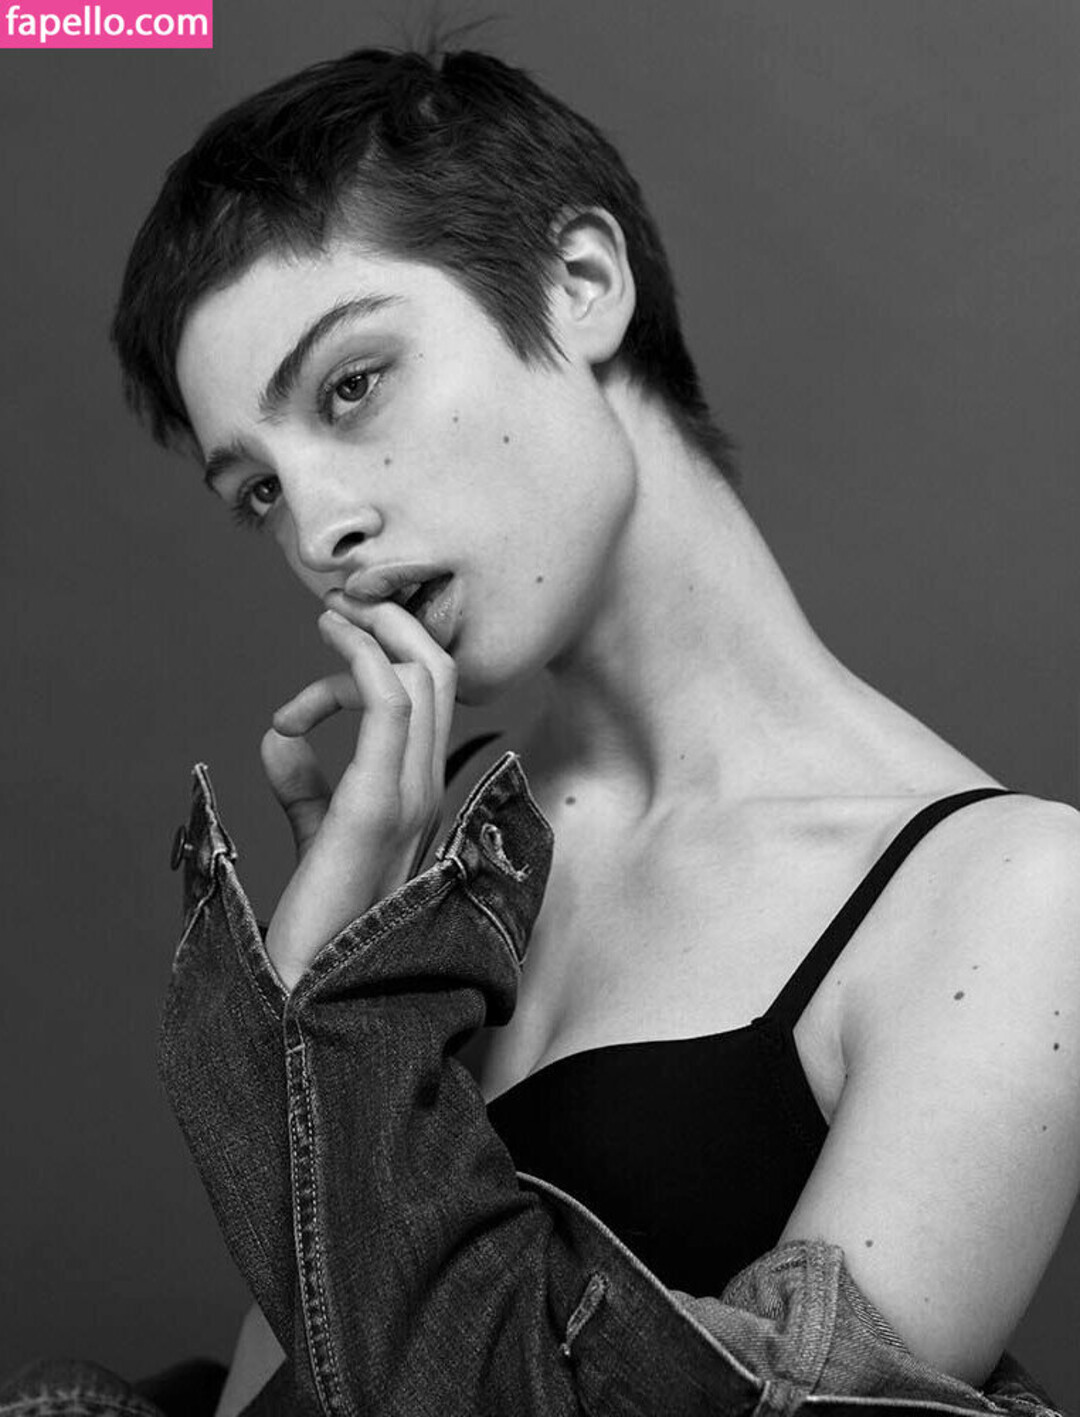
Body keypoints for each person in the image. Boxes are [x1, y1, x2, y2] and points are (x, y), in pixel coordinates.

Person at [5, 38, 1076, 1417]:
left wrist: (343, 1028)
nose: (320, 528)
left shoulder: (1010, 899)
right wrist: (319, 983)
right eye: (258, 490)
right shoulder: (439, 854)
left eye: (351, 385)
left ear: (582, 283)